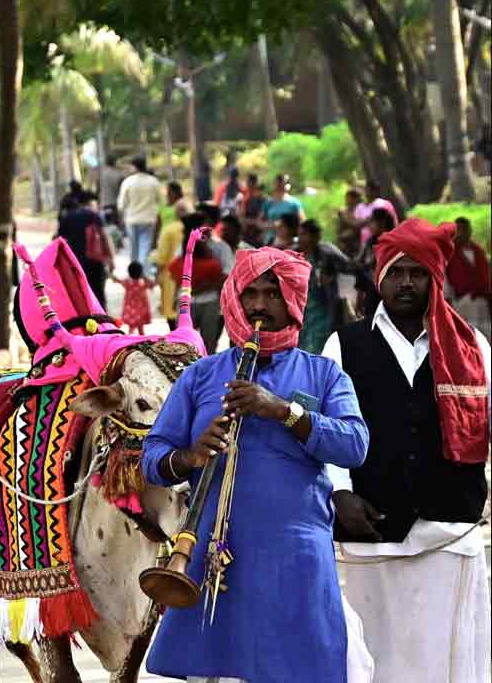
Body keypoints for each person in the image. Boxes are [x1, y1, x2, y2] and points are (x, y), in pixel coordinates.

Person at [141, 247, 371, 683]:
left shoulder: (324, 375)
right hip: (218, 558)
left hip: (296, 559)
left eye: (273, 293)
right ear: (234, 300)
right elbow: (152, 458)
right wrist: (189, 457)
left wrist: (285, 412)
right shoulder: (201, 376)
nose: (261, 305)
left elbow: (355, 445)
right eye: (251, 294)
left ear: (293, 302)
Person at [323, 219, 491, 683]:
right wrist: (340, 494)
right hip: (370, 532)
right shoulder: (344, 344)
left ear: (434, 279)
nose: (407, 283)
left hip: (448, 532)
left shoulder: (471, 347)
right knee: (372, 659)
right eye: (397, 272)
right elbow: (330, 430)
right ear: (381, 278)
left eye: (418, 273)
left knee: (445, 660)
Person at [168, 216, 226, 353]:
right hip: (205, 301)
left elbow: (177, 279)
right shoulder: (212, 264)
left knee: (185, 341)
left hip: (191, 302)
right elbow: (218, 280)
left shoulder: (178, 263)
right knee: (206, 342)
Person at [297, 219, 356, 354]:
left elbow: (350, 266)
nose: (300, 238)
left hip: (322, 310)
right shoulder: (297, 255)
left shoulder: (326, 252)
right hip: (303, 312)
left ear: (315, 236)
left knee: (317, 349)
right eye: (299, 234)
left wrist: (330, 278)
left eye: (304, 234)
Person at [56, 190, 112, 307]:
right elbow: (104, 237)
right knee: (98, 292)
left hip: (74, 261)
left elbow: (60, 241)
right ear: (89, 202)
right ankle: (101, 319)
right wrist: (110, 258)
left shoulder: (67, 217)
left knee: (79, 293)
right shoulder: (93, 215)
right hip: (94, 260)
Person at [446, 216, 491, 339]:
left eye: (464, 230)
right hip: (461, 303)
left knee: (485, 336)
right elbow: (445, 283)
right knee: (465, 337)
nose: (461, 233)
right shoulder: (449, 253)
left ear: (469, 231)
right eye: (458, 230)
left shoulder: (479, 252)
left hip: (482, 303)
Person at [151, 184, 188, 329]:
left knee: (171, 310)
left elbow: (161, 258)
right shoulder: (199, 230)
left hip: (171, 276)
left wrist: (158, 274)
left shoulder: (170, 230)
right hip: (191, 277)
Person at [116, 156, 162, 268]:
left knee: (133, 248)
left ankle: (134, 274)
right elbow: (160, 201)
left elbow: (121, 205)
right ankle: (143, 272)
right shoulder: (153, 181)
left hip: (131, 219)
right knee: (145, 247)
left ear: (134, 167)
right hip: (148, 219)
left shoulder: (128, 182)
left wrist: (121, 218)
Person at [113, 261, 155, 334]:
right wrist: (144, 276)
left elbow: (117, 280)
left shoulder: (128, 282)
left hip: (130, 310)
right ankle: (143, 341)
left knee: (131, 328)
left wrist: (111, 274)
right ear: (141, 272)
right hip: (141, 310)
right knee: (141, 329)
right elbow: (152, 284)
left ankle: (130, 340)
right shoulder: (143, 283)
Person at [352, 182, 398, 248]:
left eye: (369, 190)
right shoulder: (360, 207)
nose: (367, 193)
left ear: (375, 191)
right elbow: (355, 224)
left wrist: (364, 222)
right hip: (366, 242)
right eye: (366, 190)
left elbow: (386, 219)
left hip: (384, 239)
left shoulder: (381, 203)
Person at [261, 173, 304, 243]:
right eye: (279, 183)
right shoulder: (268, 202)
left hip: (289, 240)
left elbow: (302, 222)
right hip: (271, 239)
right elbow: (259, 221)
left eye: (284, 182)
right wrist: (270, 225)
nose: (281, 185)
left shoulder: (294, 203)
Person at [355, 207, 396, 273]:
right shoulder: (371, 240)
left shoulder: (389, 243)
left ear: (382, 223)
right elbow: (359, 260)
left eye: (372, 221)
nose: (369, 225)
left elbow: (371, 264)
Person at [239, 176, 267, 248]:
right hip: (246, 235)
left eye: (251, 184)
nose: (249, 187)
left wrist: (246, 220)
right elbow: (241, 216)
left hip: (259, 236)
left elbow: (261, 220)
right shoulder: (245, 199)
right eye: (248, 184)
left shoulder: (264, 200)